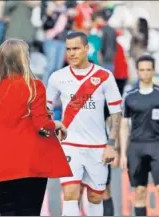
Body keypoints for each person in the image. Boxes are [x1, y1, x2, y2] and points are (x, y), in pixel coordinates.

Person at [0, 39, 72, 216]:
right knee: (30, 212)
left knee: (7, 211)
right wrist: (56, 124)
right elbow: (40, 123)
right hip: (31, 160)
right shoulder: (34, 86)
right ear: (24, 59)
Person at [46, 31, 122, 216]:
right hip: (70, 145)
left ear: (87, 49)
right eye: (68, 49)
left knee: (96, 197)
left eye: (76, 49)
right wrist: (52, 124)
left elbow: (116, 112)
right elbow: (45, 108)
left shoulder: (105, 76)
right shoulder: (57, 77)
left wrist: (111, 144)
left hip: (98, 146)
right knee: (70, 194)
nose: (71, 53)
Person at [119, 55, 159, 216]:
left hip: (157, 145)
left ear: (153, 71)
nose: (145, 73)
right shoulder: (129, 96)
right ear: (137, 71)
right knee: (139, 192)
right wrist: (123, 153)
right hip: (136, 146)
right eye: (142, 70)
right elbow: (124, 125)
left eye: (148, 70)